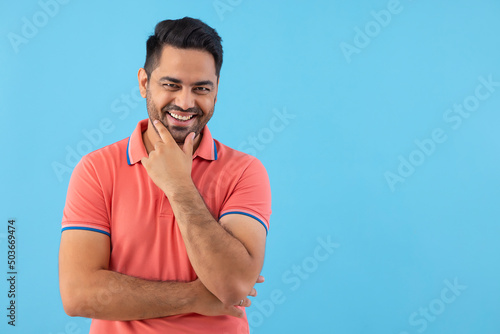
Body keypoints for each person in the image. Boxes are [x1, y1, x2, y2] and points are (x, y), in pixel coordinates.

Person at [58, 17, 272, 334]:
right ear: (144, 82)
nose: (185, 103)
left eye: (201, 88)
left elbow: (234, 286)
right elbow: (79, 294)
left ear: (216, 91)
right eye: (171, 85)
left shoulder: (244, 172)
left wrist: (179, 186)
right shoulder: (96, 170)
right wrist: (194, 297)